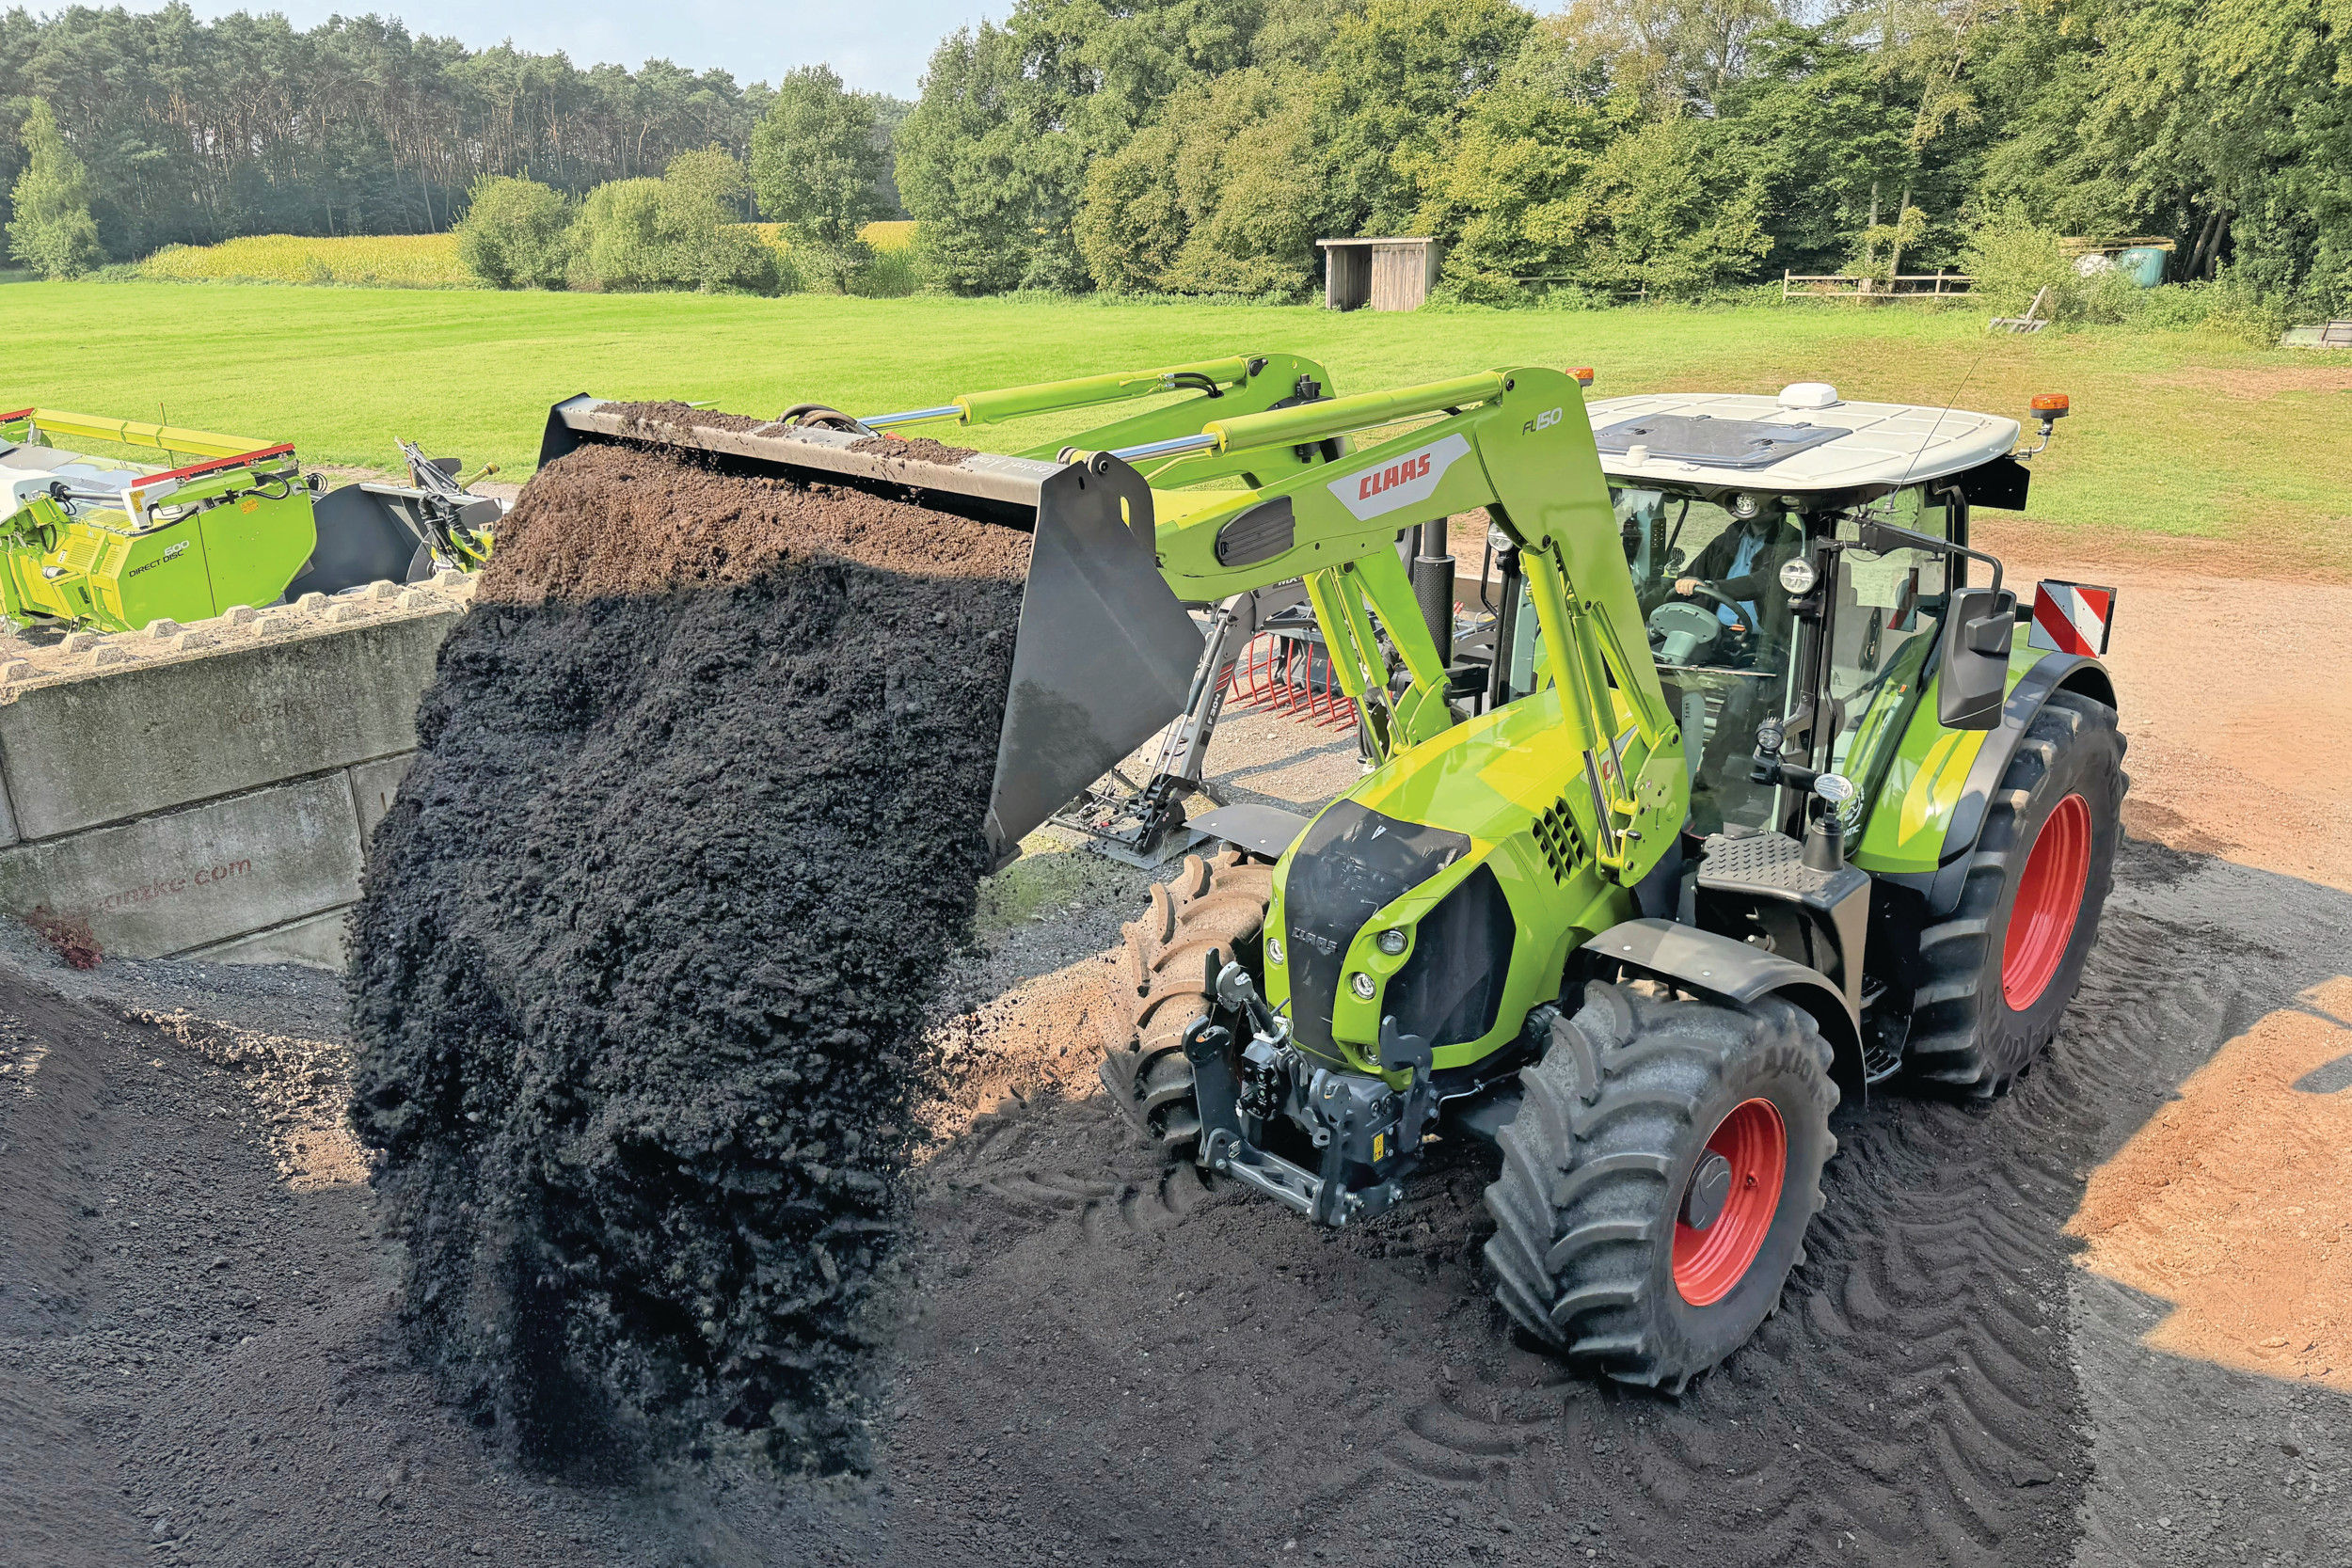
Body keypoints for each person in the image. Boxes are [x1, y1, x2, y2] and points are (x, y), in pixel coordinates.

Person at [1672, 508, 1802, 669]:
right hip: (1714, 634)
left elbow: (1765, 581)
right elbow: (1694, 574)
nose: (1759, 507)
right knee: (1674, 666)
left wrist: (1714, 587)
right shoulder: (1727, 539)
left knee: (1746, 688)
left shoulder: (1792, 543)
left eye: (1766, 503)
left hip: (1767, 640)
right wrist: (1686, 581)